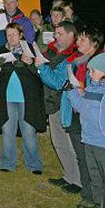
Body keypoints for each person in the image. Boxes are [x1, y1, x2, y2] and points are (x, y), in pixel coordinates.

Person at [40, 27, 105, 208]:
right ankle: (89, 196)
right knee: (85, 158)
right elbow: (65, 85)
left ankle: (99, 199)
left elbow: (104, 93)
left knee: (93, 160)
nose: (78, 43)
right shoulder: (77, 62)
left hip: (93, 118)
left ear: (94, 43)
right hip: (76, 114)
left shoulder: (100, 64)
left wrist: (83, 90)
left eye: (82, 40)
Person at [67, 52, 105, 208]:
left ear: (104, 71)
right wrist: (72, 91)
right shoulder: (89, 90)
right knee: (95, 177)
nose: (89, 74)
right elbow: (81, 107)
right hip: (89, 140)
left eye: (92, 71)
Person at [0, 23, 46, 174]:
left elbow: (39, 72)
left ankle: (34, 164)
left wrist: (30, 64)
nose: (11, 37)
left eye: (14, 34)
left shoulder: (30, 49)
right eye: (8, 35)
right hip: (7, 98)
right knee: (7, 131)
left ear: (21, 34)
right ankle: (8, 163)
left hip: (27, 98)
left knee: (29, 132)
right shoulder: (1, 50)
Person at [37, 20, 82, 193]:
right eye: (55, 34)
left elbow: (58, 82)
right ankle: (68, 176)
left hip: (65, 104)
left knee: (70, 144)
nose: (56, 37)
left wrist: (41, 68)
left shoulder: (73, 55)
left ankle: (78, 181)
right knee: (59, 142)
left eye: (60, 34)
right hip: (53, 103)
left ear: (71, 35)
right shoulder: (56, 51)